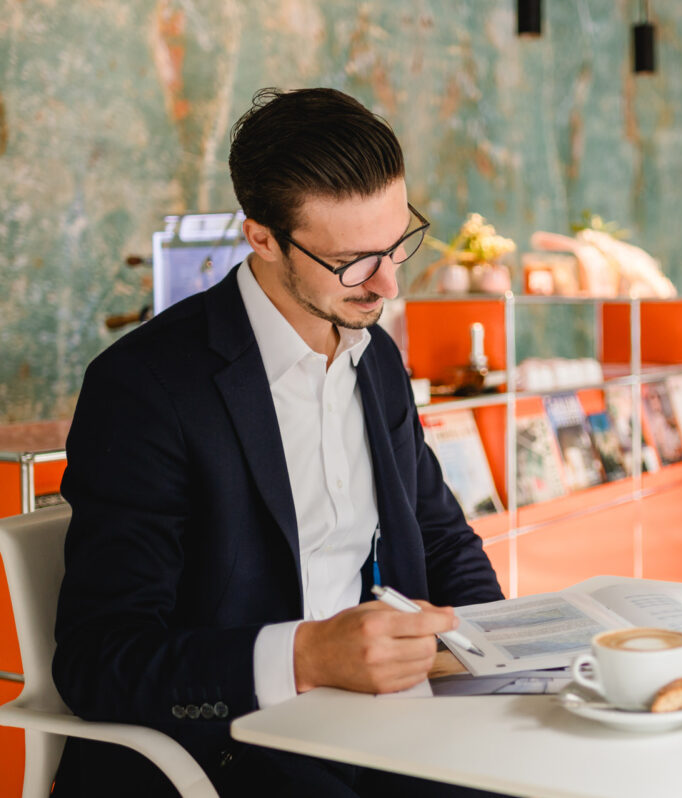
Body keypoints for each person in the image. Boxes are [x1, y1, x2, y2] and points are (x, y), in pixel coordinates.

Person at [52, 87, 505, 797]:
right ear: (261, 237)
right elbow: (99, 659)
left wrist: (496, 655)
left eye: (397, 242)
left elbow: (442, 538)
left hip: (381, 724)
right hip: (228, 746)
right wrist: (304, 656)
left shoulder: (376, 358)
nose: (386, 281)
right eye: (354, 260)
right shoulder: (145, 387)